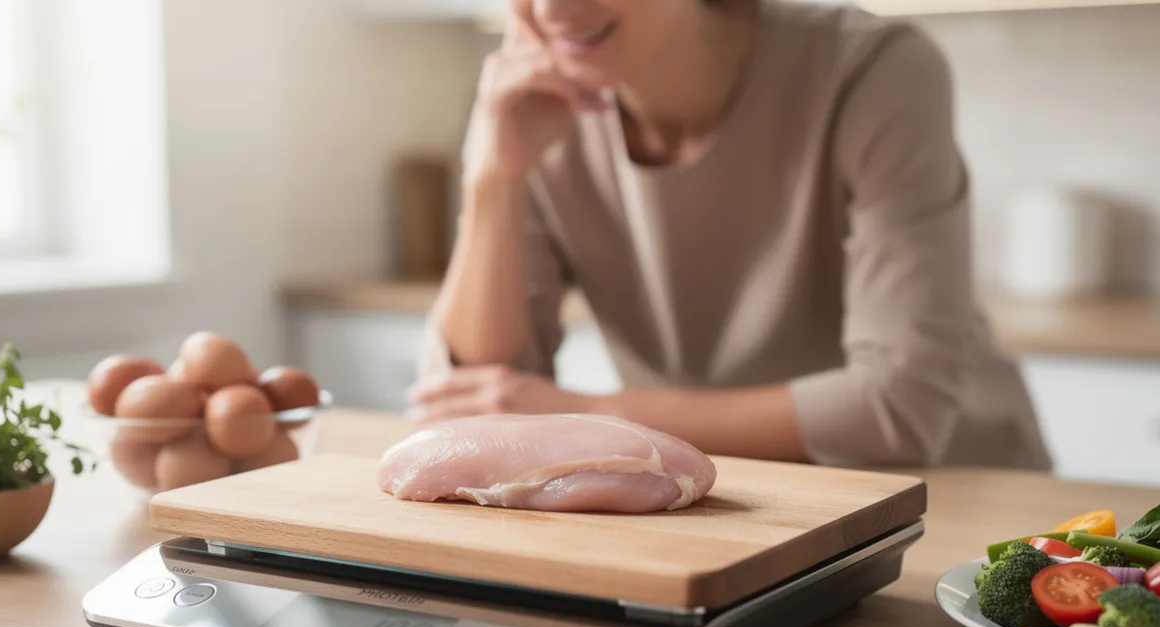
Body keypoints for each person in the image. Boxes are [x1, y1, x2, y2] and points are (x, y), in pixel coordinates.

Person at [406, 0, 1052, 470]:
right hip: (723, 497)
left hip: (953, 500)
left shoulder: (872, 70)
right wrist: (493, 178)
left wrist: (587, 415)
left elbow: (897, 409)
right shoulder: (533, 104)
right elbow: (479, 405)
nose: (551, 9)